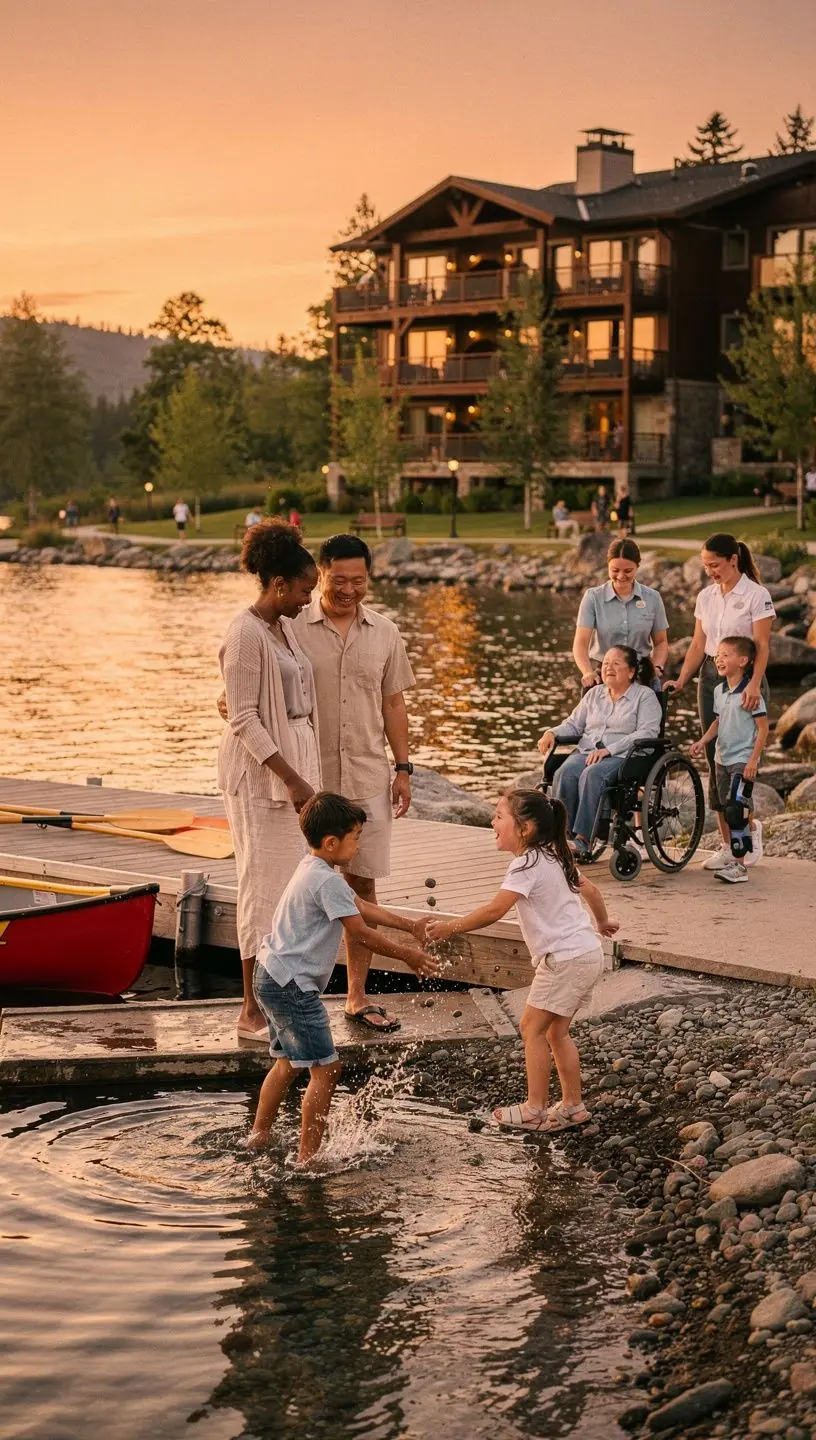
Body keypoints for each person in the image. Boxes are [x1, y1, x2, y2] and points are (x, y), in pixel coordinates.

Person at [245, 792, 438, 1164]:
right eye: (356, 838)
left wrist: (410, 925)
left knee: (286, 1064)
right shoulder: (327, 882)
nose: (359, 844)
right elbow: (361, 931)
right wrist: (409, 955)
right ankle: (306, 1160)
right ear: (332, 842)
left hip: (269, 974)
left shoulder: (314, 868)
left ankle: (259, 1136)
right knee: (326, 1069)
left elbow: (362, 906)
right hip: (292, 986)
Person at [427, 790, 617, 1133]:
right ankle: (573, 1107)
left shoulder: (525, 864)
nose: (492, 821)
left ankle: (534, 1108)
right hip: (588, 952)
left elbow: (494, 911)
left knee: (532, 1028)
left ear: (524, 828)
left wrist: (446, 929)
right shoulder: (556, 854)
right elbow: (590, 890)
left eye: (499, 816)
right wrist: (601, 923)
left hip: (564, 960)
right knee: (557, 1031)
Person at [292, 534, 416, 1034]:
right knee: (294, 883)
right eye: (338, 580)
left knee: (363, 884)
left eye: (358, 581)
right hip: (307, 777)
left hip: (367, 773)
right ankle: (295, 988)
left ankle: (357, 996)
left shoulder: (385, 632)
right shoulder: (290, 627)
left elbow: (393, 704)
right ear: (320, 574)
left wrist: (404, 768)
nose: (348, 590)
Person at [218, 520, 321, 1041]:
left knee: (286, 888)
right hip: (262, 778)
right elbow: (243, 718)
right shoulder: (245, 634)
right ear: (278, 583)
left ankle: (277, 996)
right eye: (305, 590)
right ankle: (250, 1011)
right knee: (260, 889)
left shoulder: (284, 628)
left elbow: (296, 703)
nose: (309, 600)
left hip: (295, 770)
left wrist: (308, 777)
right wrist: (293, 780)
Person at [662, 533, 775, 870]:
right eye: (705, 565)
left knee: (740, 755)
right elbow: (699, 645)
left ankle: (749, 830)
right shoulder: (706, 596)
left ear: (733, 560)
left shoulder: (756, 595)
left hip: (746, 677)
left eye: (715, 564)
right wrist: (682, 679)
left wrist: (754, 683)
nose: (709, 570)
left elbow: (763, 645)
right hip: (712, 677)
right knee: (717, 758)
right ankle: (728, 845)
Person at [537, 645, 662, 859]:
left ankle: (583, 839)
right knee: (565, 772)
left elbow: (648, 731)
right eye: (605, 664)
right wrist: (552, 732)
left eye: (615, 664)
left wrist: (608, 750)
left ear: (631, 671)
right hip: (588, 752)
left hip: (624, 756)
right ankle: (563, 837)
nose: (608, 668)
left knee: (592, 774)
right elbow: (574, 724)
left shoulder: (645, 696)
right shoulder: (594, 694)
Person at [690, 636, 769, 883]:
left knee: (736, 809)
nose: (719, 659)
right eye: (717, 655)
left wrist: (753, 761)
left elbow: (763, 729)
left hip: (742, 760)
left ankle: (739, 866)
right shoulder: (718, 690)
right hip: (721, 759)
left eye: (726, 655)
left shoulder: (751, 693)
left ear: (743, 660)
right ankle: (739, 855)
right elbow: (718, 721)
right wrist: (703, 741)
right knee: (726, 807)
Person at [573, 539, 669, 691]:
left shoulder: (653, 598)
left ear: (638, 566)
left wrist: (657, 666)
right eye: (615, 570)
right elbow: (581, 643)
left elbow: (661, 642)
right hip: (603, 675)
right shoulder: (592, 597)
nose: (621, 576)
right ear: (608, 565)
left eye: (628, 571)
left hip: (642, 675)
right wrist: (587, 672)